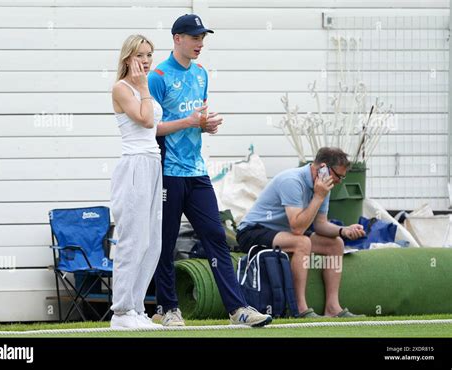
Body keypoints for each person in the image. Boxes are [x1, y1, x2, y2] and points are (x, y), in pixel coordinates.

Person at [148, 14, 272, 327]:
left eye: (202, 37)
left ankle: (238, 310)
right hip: (168, 171)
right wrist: (190, 122)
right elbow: (150, 129)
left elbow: (193, 121)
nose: (200, 43)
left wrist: (204, 126)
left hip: (196, 170)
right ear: (177, 38)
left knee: (216, 236)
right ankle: (168, 308)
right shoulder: (158, 76)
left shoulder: (202, 73)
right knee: (167, 239)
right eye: (193, 37)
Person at [236, 147, 366, 318]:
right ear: (323, 168)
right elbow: (298, 228)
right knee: (302, 242)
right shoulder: (292, 181)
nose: (340, 181)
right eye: (338, 176)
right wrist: (318, 196)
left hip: (284, 233)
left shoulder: (324, 185)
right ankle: (299, 308)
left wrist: (343, 230)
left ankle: (332, 307)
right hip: (252, 231)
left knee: (335, 244)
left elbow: (320, 225)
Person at [110, 34, 163, 329]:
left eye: (149, 55)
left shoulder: (143, 90)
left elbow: (155, 125)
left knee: (152, 241)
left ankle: (136, 307)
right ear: (128, 57)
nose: (145, 61)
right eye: (140, 55)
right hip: (134, 167)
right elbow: (144, 120)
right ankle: (121, 311)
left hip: (153, 163)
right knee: (132, 239)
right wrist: (143, 86)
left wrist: (193, 123)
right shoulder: (122, 88)